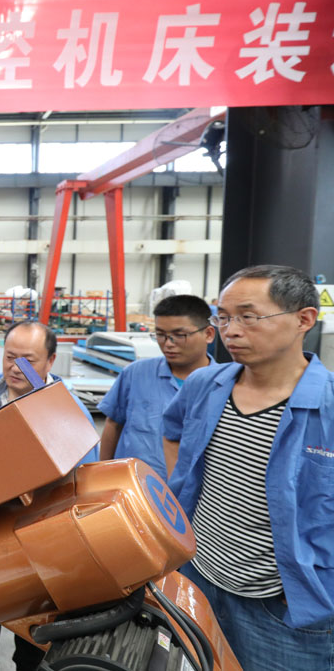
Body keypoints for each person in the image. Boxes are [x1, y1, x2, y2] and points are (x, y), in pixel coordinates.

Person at [163, 265, 334, 671]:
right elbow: (172, 433)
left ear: (304, 320)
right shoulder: (205, 385)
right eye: (223, 317)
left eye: (248, 317)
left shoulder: (327, 406)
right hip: (199, 578)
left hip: (284, 606)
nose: (231, 331)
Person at [0, 320, 98, 671]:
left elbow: (82, 487)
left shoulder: (68, 412)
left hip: (40, 531)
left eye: (28, 360)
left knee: (36, 614)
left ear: (50, 361)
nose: (15, 367)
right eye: (10, 357)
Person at [98, 295, 215, 480]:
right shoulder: (136, 374)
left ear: (208, 334)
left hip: (193, 492)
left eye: (179, 335)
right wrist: (101, 476)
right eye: (160, 334)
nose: (168, 343)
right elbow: (113, 424)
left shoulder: (222, 385)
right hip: (133, 487)